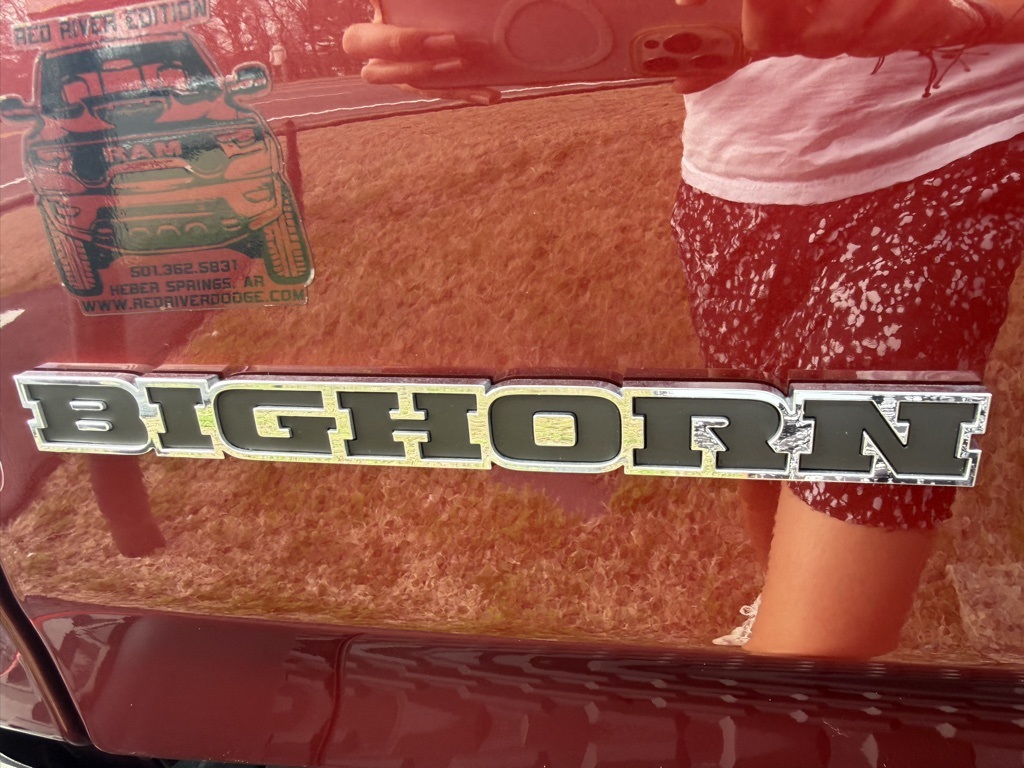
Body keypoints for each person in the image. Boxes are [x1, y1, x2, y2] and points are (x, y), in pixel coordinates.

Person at [343, 0, 1024, 658]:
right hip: (730, 173)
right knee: (762, 436)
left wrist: (969, 13)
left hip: (945, 155)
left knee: (811, 655)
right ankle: (773, 590)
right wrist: (461, 27)